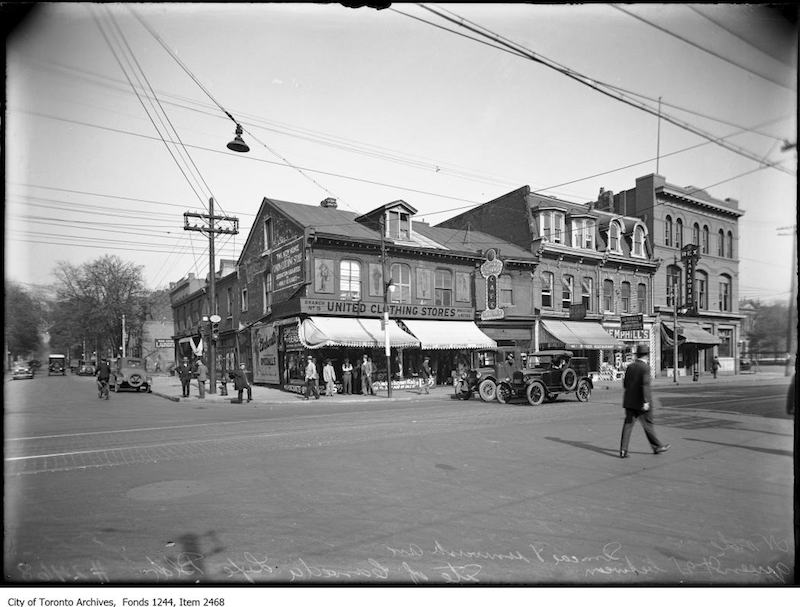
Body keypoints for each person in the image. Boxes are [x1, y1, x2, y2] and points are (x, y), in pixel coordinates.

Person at [619, 344, 670, 458]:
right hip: (641, 403)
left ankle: (623, 450)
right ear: (647, 356)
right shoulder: (645, 368)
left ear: (637, 355)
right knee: (648, 424)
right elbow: (645, 385)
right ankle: (657, 446)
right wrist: (646, 401)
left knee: (628, 425)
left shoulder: (630, 367)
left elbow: (625, 384)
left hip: (629, 402)